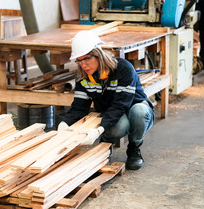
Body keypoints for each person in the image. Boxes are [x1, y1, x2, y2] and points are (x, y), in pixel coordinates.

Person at [57, 30, 154, 170]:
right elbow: (79, 107)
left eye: (87, 59)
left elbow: (120, 105)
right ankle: (106, 146)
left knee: (139, 112)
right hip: (114, 112)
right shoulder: (83, 78)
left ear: (99, 55)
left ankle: (134, 149)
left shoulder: (123, 69)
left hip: (134, 108)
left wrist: (99, 129)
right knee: (117, 127)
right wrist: (65, 124)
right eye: (79, 61)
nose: (83, 64)